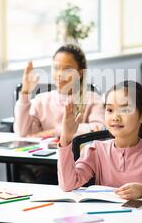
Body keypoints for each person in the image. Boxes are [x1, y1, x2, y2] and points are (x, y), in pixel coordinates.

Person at [57, 80, 142, 199]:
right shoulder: (96, 151)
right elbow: (68, 184)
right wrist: (66, 137)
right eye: (110, 110)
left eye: (124, 110)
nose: (115, 117)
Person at [14, 44, 104, 184]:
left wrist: (55, 131)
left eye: (67, 69)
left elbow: (99, 129)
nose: (60, 74)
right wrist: (25, 92)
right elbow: (22, 132)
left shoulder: (92, 99)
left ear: (80, 72)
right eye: (56, 68)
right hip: (46, 169)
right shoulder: (41, 100)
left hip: (80, 169)